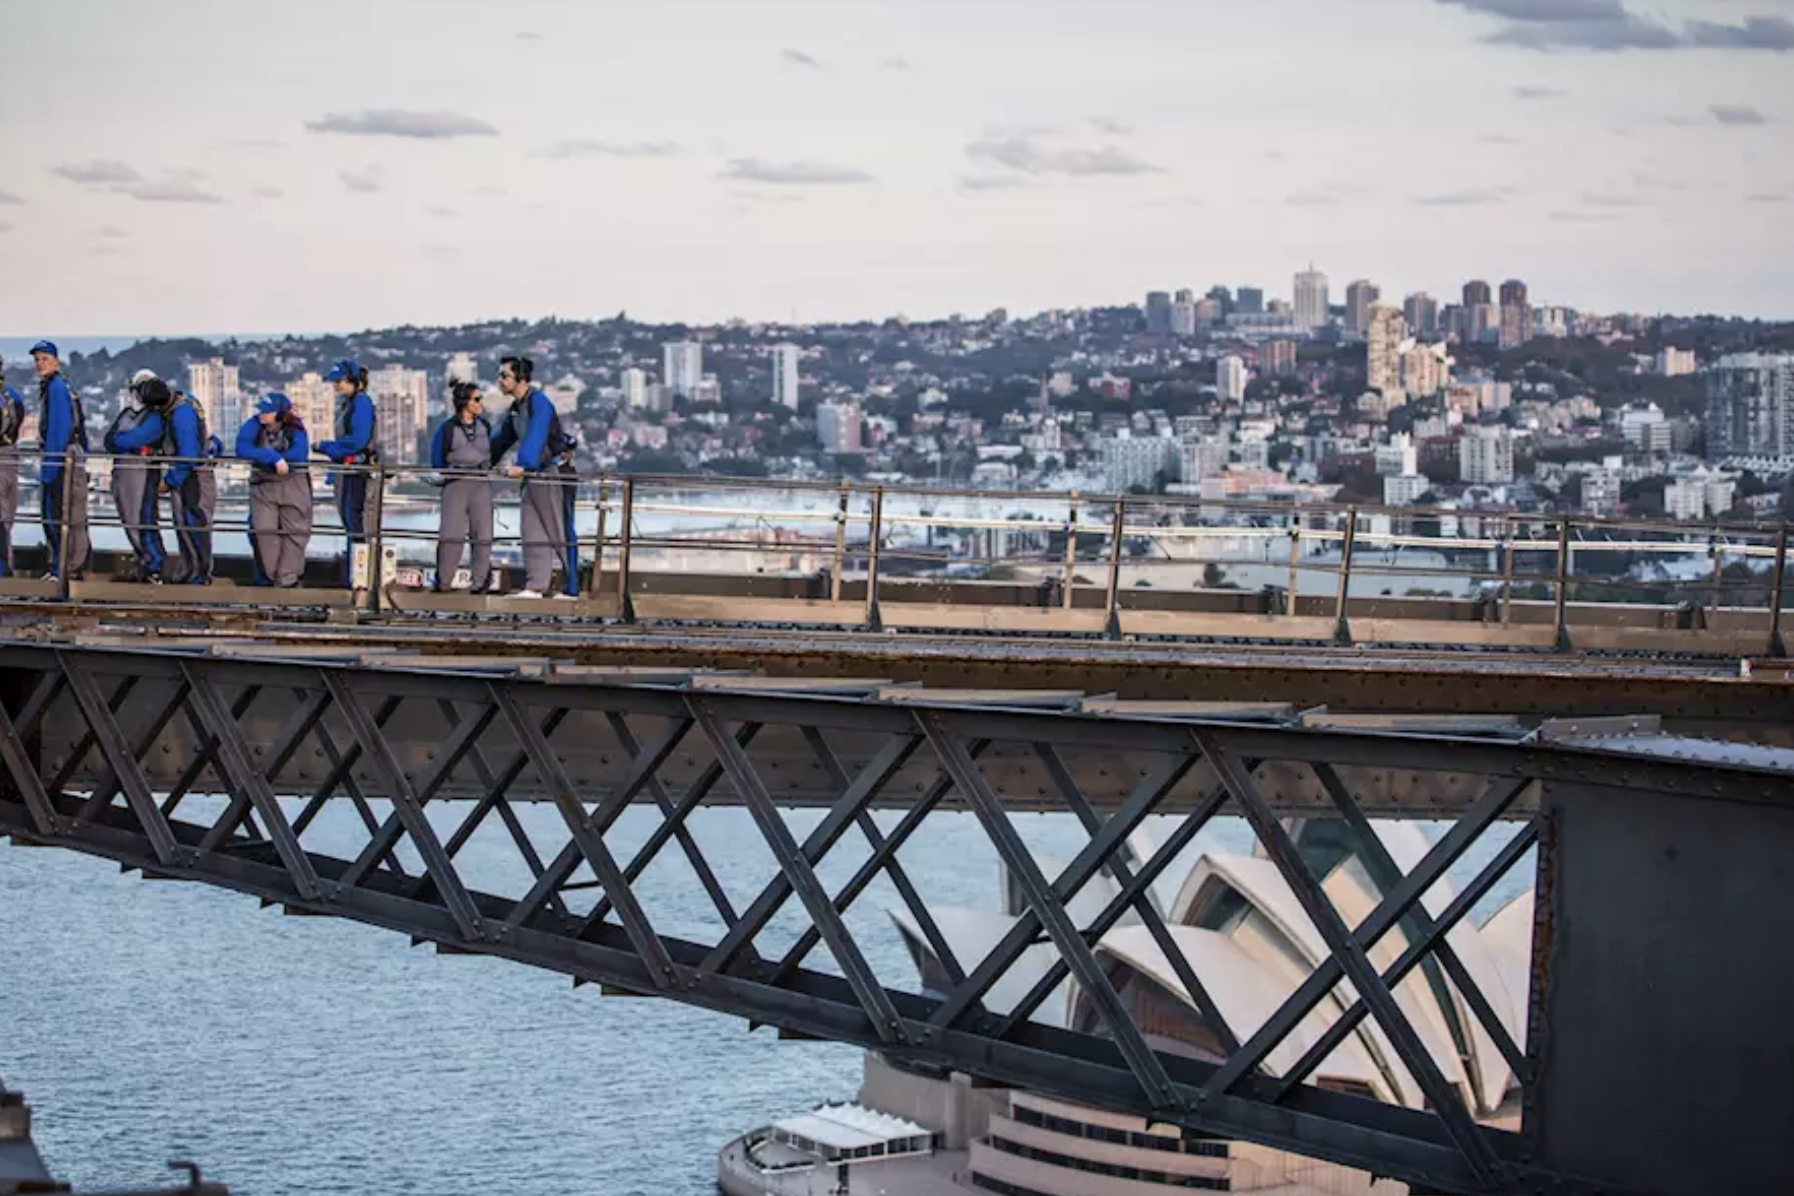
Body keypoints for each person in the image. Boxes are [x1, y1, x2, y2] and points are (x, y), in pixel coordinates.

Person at [488, 355, 579, 600]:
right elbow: (501, 440)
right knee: (532, 529)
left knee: (560, 530)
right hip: (533, 475)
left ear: (521, 378)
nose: (500, 380)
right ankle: (535, 585)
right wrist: (482, 461)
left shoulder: (539, 403)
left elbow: (536, 436)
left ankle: (571, 589)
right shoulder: (516, 409)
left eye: (504, 375)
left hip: (554, 473)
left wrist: (523, 464)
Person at [235, 392, 311, 588]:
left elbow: (299, 454)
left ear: (279, 414)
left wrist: (276, 460)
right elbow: (242, 448)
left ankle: (288, 580)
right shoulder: (254, 425)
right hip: (264, 484)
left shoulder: (295, 428)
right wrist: (273, 458)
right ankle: (270, 577)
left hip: (293, 483)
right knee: (263, 532)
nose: (261, 414)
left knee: (295, 533)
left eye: (267, 411)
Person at [314, 358, 377, 588]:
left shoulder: (361, 403)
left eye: (339, 381)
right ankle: (356, 574)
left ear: (352, 380)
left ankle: (362, 578)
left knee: (358, 525)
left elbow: (358, 440)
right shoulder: (349, 403)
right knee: (352, 525)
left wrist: (326, 447)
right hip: (348, 471)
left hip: (358, 473)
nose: (336, 386)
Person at [103, 371, 170, 582]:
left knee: (144, 518)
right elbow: (109, 440)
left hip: (144, 471)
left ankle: (154, 566)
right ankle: (143, 562)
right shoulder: (126, 413)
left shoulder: (155, 416)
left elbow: (135, 439)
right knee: (128, 518)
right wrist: (123, 442)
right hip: (123, 470)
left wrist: (124, 442)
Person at [31, 340, 90, 581]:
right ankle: (61, 567)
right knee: (58, 516)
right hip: (65, 455)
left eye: (44, 359)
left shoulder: (56, 388)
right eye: (37, 360)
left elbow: (59, 428)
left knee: (56, 515)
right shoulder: (59, 386)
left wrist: (50, 467)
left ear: (55, 361)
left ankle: (62, 569)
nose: (39, 364)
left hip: (60, 457)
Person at [429, 380, 494, 593]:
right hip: (455, 483)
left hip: (481, 485)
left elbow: (491, 453)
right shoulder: (447, 429)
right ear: (465, 402)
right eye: (476, 399)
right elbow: (437, 459)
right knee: (451, 535)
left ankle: (480, 582)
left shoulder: (485, 426)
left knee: (483, 535)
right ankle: (443, 583)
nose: (480, 402)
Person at [158, 384, 215, 584]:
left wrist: (169, 481)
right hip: (190, 472)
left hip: (193, 475)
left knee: (194, 523)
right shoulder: (185, 400)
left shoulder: (181, 414)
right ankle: (190, 570)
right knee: (184, 524)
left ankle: (199, 574)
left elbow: (189, 456)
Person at [0, 355, 23, 577]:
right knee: (6, 518)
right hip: (10, 457)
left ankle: (3, 573)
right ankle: (6, 570)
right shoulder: (12, 396)